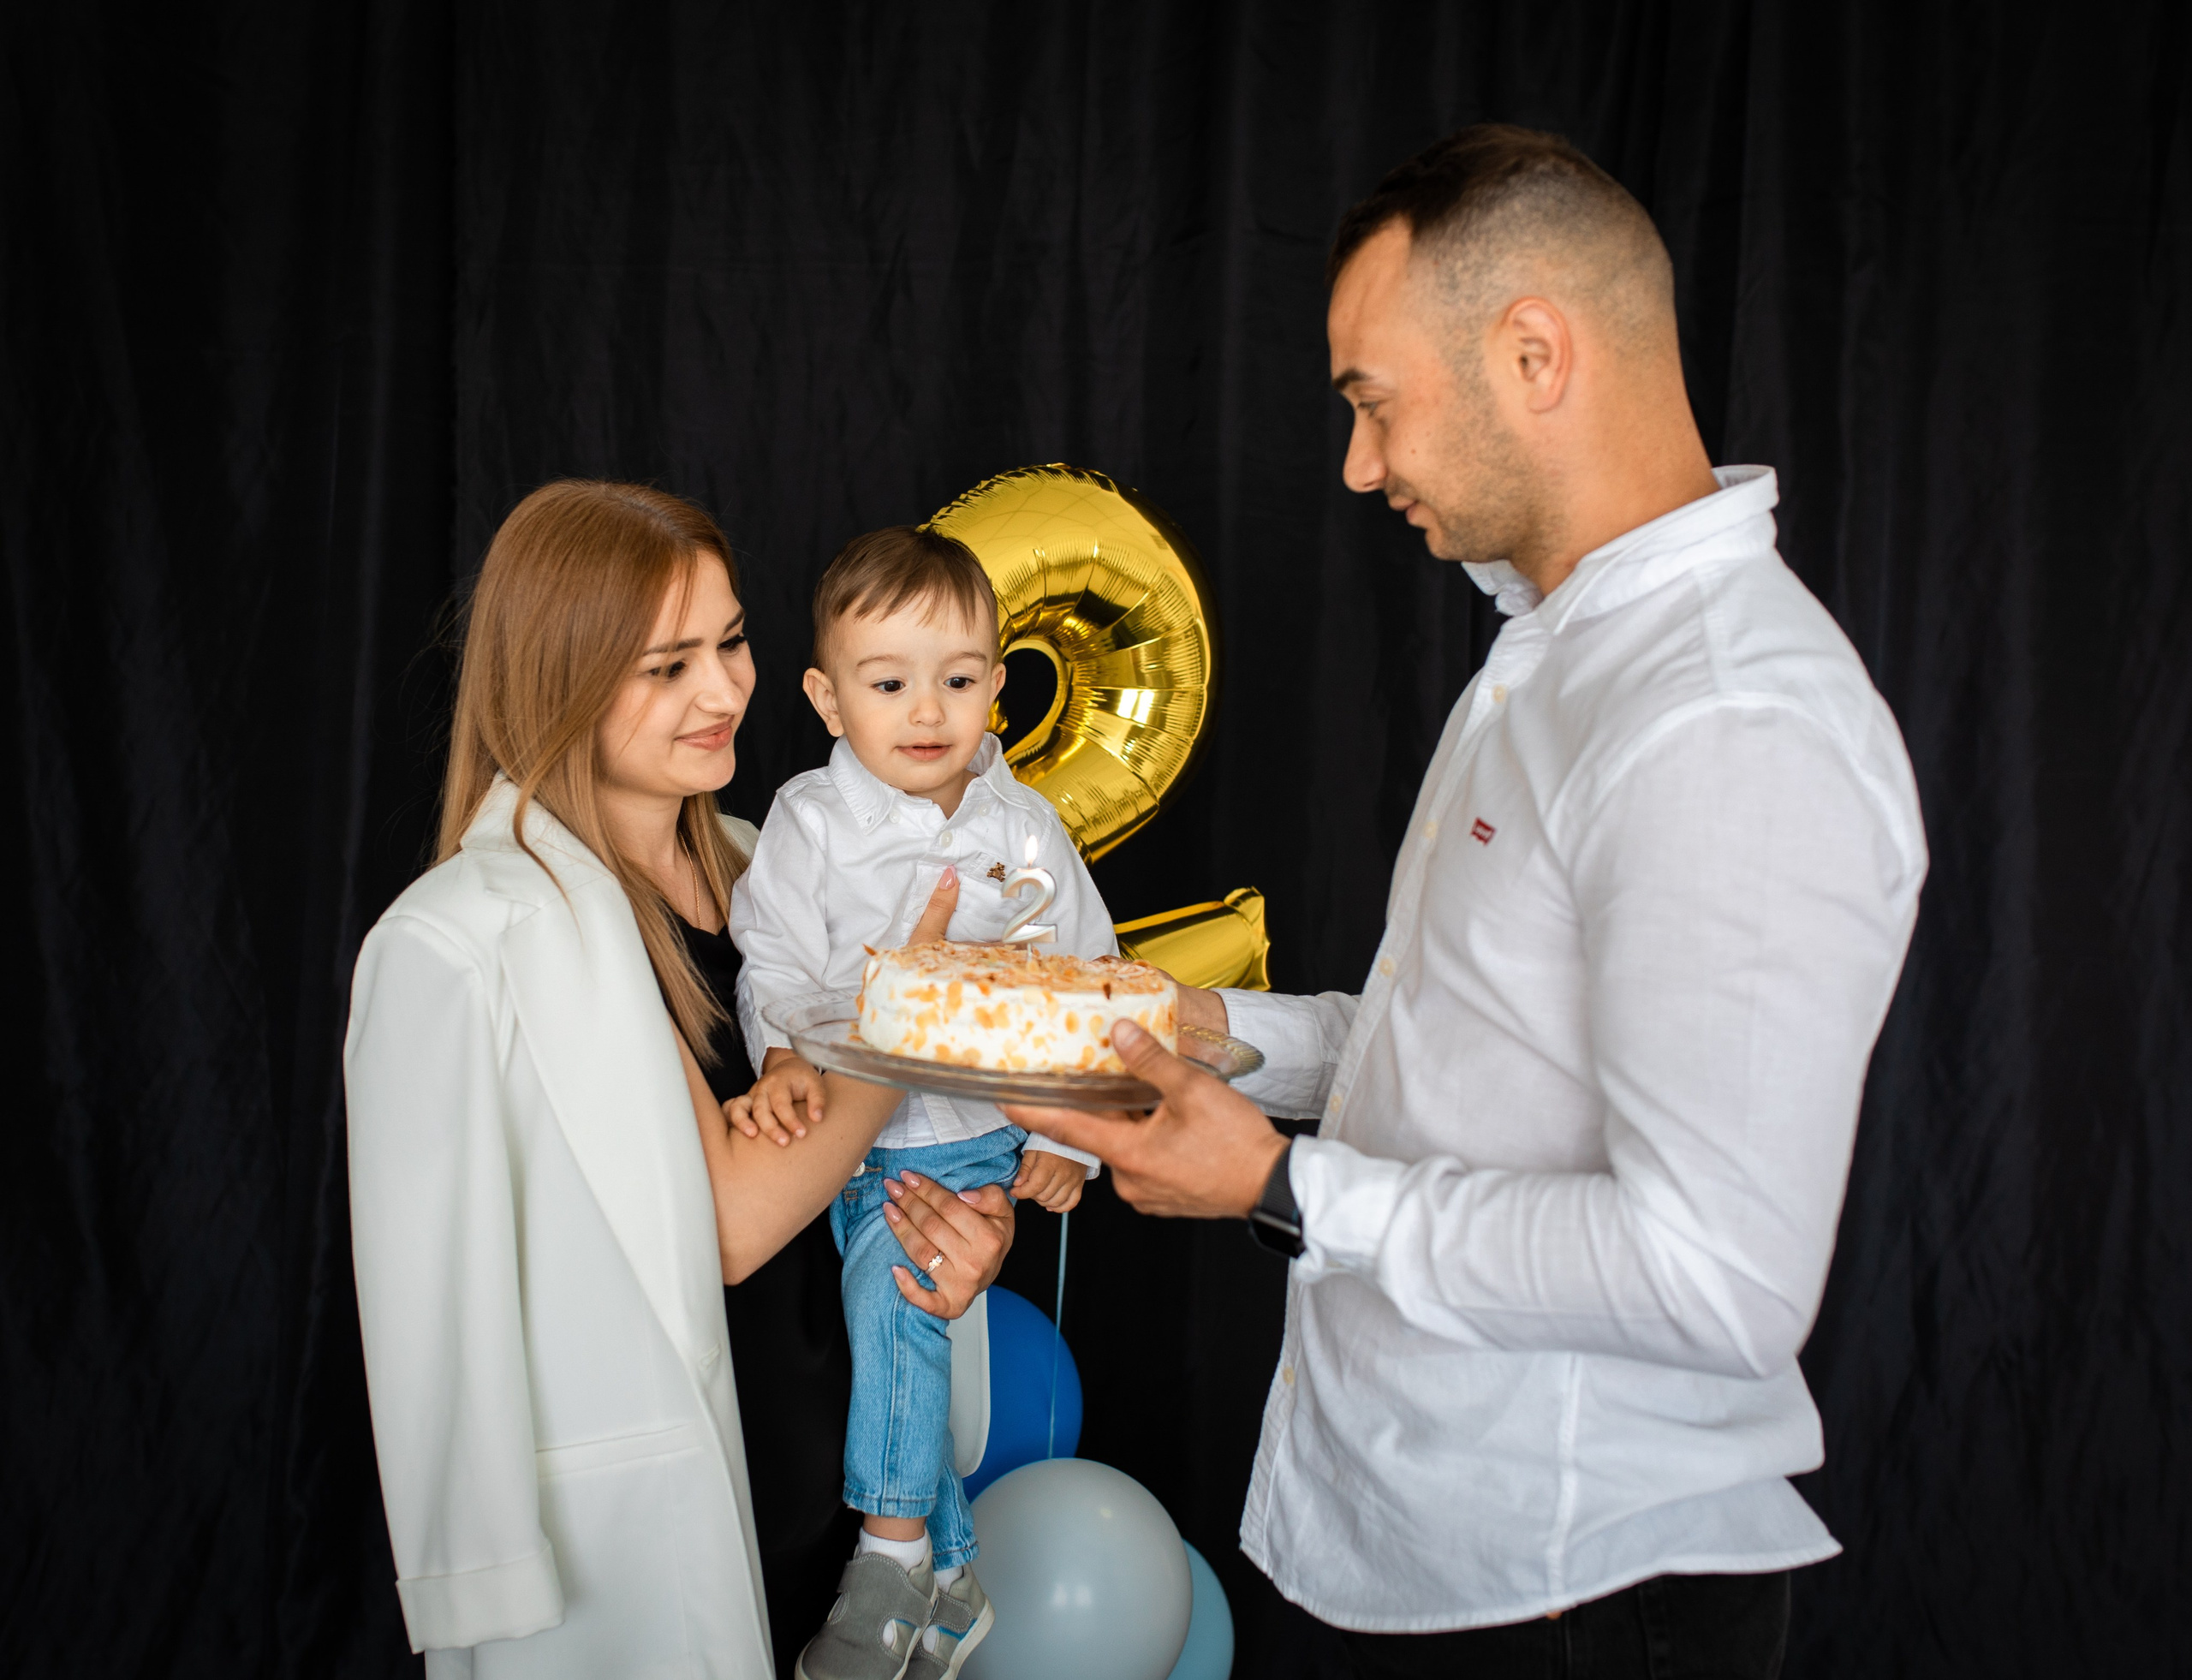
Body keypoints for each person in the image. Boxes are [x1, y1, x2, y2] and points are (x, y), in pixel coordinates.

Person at [1012, 125, 1929, 1678]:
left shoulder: (1723, 720)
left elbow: (1718, 1278)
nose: (1360, 463)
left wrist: (1282, 1188)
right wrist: (1203, 1027)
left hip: (1576, 1600)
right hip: (1427, 1554)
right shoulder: (1557, 655)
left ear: (1532, 352)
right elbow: (1465, 1051)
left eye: (1372, 402)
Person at [344, 480, 1013, 1680]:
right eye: (666, 666)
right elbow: (735, 1222)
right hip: (654, 1550)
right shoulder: (457, 943)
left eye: (733, 641)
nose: (724, 693)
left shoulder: (770, 867)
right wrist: (917, 1010)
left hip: (854, 1525)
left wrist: (964, 1229)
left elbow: (880, 1164)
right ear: (558, 676)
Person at [729, 525, 1112, 1680]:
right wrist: (783, 1058)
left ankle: (891, 1551)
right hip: (839, 1135)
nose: (927, 709)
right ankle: (954, 1577)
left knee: (894, 1294)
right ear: (828, 696)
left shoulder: (1022, 831)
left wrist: (1063, 1139)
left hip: (962, 1135)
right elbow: (774, 963)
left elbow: (1079, 986)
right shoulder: (808, 822)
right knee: (884, 1327)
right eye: (888, 682)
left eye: (957, 679)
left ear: (997, 684)